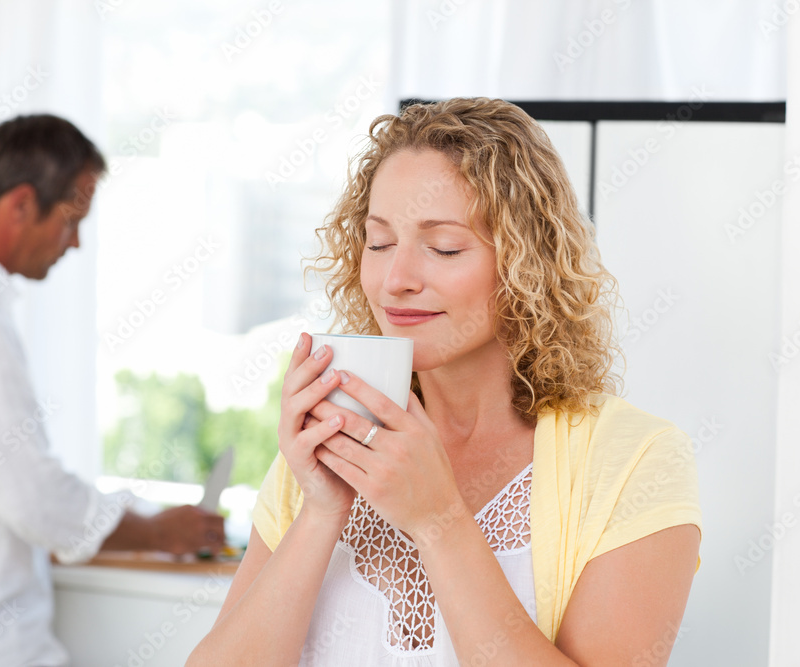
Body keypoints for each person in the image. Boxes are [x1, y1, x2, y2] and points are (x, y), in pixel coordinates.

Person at [187, 98, 701, 666]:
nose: (396, 279)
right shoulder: (328, 444)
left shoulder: (635, 461)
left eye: (444, 247)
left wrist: (439, 521)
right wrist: (322, 510)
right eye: (378, 243)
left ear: (527, 261)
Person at [0, 114, 225, 666]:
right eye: (71, 220)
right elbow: (32, 499)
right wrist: (157, 529)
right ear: (20, 205)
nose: (76, 242)